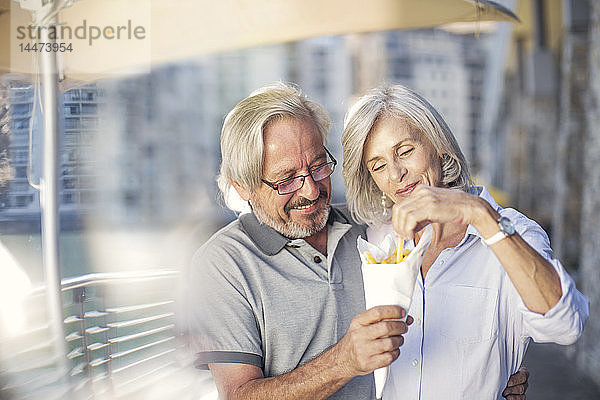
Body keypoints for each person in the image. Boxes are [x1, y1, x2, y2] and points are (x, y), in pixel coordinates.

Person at [186, 82, 530, 400]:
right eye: (286, 180)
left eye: (319, 166)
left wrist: (490, 371)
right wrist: (342, 362)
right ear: (242, 186)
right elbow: (238, 395)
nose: (311, 189)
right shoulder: (222, 265)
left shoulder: (373, 229)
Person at [341, 84, 590, 400]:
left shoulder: (511, 232)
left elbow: (566, 326)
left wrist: (480, 215)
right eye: (378, 165)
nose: (396, 173)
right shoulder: (376, 245)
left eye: (404, 151)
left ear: (439, 145)